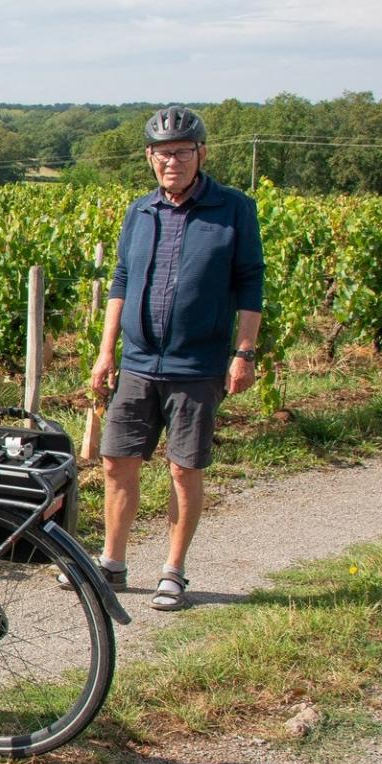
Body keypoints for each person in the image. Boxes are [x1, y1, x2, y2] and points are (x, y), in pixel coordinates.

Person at [86, 105, 264, 610]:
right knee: (117, 462)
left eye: (182, 152)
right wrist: (106, 352)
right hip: (138, 362)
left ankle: (173, 571)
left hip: (197, 365)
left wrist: (244, 352)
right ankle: (112, 563)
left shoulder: (234, 209)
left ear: (201, 154)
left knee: (184, 469)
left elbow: (250, 281)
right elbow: (122, 279)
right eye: (163, 154)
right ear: (149, 157)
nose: (172, 162)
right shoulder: (140, 212)